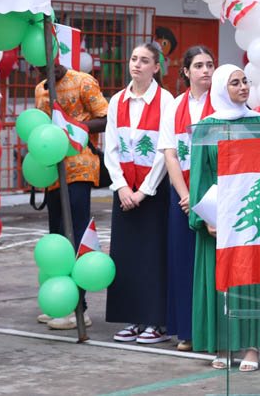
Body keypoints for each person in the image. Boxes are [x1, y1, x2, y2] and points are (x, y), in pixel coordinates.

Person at [189, 64, 260, 372]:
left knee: (252, 281)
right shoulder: (205, 127)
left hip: (253, 214)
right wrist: (207, 219)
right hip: (218, 218)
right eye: (235, 83)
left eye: (245, 81)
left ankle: (252, 347)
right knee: (221, 282)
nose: (243, 87)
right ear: (219, 89)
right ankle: (223, 344)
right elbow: (200, 177)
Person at [104, 43, 174, 344]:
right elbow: (110, 148)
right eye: (134, 59)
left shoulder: (167, 101)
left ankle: (154, 321)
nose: (137, 65)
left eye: (145, 61)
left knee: (153, 257)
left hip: (153, 193)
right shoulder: (117, 100)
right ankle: (131, 317)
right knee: (126, 256)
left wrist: (143, 191)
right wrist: (121, 186)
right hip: (124, 192)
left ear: (156, 67)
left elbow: (164, 151)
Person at [34, 61, 108, 330]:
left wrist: (74, 127)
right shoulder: (40, 90)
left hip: (80, 167)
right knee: (56, 238)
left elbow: (106, 117)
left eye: (48, 65)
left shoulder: (83, 82)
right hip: (52, 172)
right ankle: (59, 301)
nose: (44, 72)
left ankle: (80, 306)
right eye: (38, 68)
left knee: (76, 235)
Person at [160, 46, 214, 352]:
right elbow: (169, 152)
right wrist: (186, 196)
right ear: (186, 72)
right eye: (199, 65)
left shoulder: (221, 105)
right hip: (182, 194)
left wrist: (202, 199)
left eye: (209, 65)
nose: (205, 70)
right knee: (183, 263)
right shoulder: (175, 106)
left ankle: (212, 330)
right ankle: (187, 331)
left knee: (210, 265)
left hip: (214, 195)